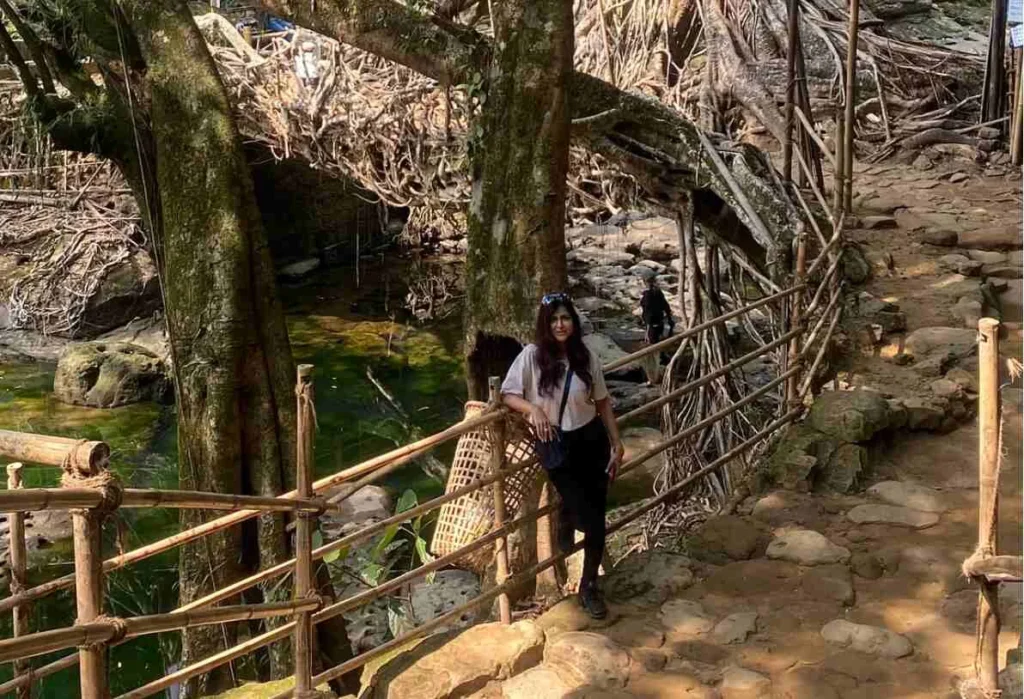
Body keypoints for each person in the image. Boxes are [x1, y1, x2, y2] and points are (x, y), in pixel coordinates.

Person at [501, 292, 624, 619]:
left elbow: (603, 403)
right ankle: (567, 513)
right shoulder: (531, 356)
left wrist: (617, 442)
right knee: (583, 510)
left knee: (596, 519)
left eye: (565, 318)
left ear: (574, 321)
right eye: (554, 319)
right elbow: (509, 394)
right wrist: (534, 410)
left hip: (591, 438)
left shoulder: (587, 358)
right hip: (556, 442)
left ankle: (588, 586)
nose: (560, 324)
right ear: (546, 323)